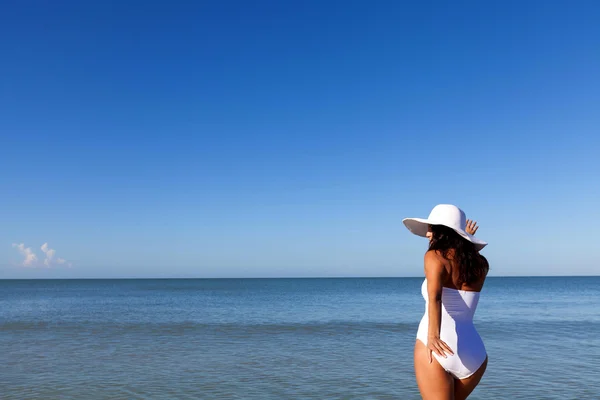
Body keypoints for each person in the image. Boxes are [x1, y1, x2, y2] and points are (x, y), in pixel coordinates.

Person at [403, 204, 489, 400]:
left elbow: (435, 296)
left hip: (436, 348)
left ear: (443, 231)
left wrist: (432, 336)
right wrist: (467, 238)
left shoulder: (434, 257)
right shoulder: (480, 264)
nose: (427, 234)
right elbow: (463, 261)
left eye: (431, 228)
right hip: (474, 354)